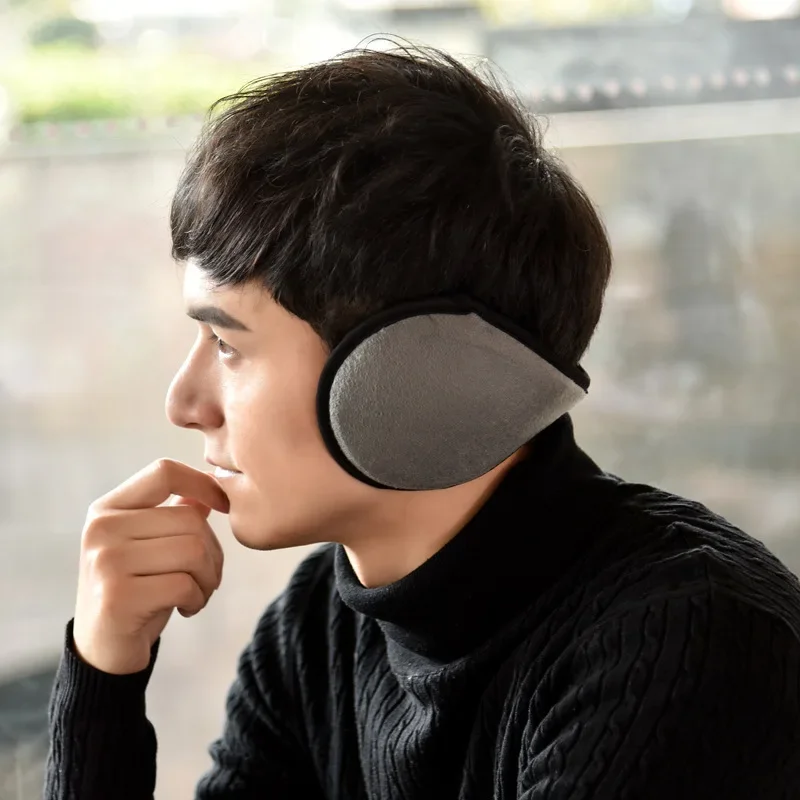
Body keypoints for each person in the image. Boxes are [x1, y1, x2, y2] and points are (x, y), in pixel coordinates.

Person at [45, 44, 800, 800]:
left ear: (410, 369)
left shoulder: (687, 646)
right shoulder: (317, 629)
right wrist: (104, 673)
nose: (183, 403)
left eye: (226, 344)